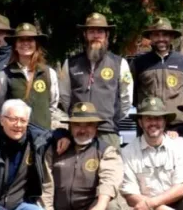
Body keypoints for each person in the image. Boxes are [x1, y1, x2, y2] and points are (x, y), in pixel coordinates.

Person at [31, 102, 124, 210]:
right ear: (69, 127)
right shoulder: (54, 150)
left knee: (111, 206)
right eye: (77, 125)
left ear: (96, 127)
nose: (83, 130)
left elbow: (110, 180)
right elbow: (47, 187)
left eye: (88, 124)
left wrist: (100, 206)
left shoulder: (106, 150)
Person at [57, 12, 132, 147]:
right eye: (91, 31)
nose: (96, 36)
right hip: (78, 131)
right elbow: (65, 97)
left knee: (110, 167)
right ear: (85, 34)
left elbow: (126, 99)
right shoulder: (70, 64)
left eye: (100, 31)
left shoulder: (120, 63)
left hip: (107, 132)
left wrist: (111, 119)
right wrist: (77, 119)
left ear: (106, 35)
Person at [132, 17, 183, 127]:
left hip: (177, 124)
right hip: (149, 124)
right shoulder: (139, 63)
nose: (161, 39)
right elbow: (132, 93)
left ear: (172, 37)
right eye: (156, 35)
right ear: (150, 37)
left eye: (165, 35)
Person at [0, 23, 60, 130]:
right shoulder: (4, 75)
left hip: (43, 135)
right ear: (15, 45)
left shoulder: (48, 73)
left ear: (36, 44)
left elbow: (53, 104)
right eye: (21, 40)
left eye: (29, 40)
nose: (25, 43)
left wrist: (45, 122)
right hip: (16, 136)